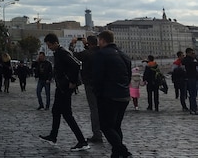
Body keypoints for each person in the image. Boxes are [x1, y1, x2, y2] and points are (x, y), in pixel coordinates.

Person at [39, 33, 90, 151]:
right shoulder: (58, 53)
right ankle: (53, 136)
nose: (49, 48)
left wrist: (72, 81)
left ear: (55, 43)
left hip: (65, 87)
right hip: (61, 86)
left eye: (49, 45)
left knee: (67, 114)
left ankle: (82, 141)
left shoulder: (62, 52)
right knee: (56, 111)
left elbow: (76, 64)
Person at [92, 30, 132, 158]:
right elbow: (129, 75)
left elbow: (97, 76)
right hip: (124, 95)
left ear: (103, 40)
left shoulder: (101, 54)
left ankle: (123, 151)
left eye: (99, 41)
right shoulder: (124, 55)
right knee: (116, 126)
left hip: (109, 96)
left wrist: (97, 93)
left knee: (106, 126)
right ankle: (116, 154)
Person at [70, 35, 103, 143]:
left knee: (94, 109)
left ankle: (97, 134)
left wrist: (73, 44)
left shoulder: (86, 53)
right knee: (101, 108)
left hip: (90, 83)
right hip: (101, 84)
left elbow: (72, 55)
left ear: (89, 43)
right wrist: (86, 45)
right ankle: (105, 131)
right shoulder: (101, 52)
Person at [181, 47, 198, 114]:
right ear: (188, 53)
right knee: (192, 94)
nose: (193, 54)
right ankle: (193, 108)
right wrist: (194, 59)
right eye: (192, 53)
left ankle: (194, 107)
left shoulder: (192, 59)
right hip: (191, 78)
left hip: (194, 78)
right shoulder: (188, 60)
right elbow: (194, 64)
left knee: (194, 94)